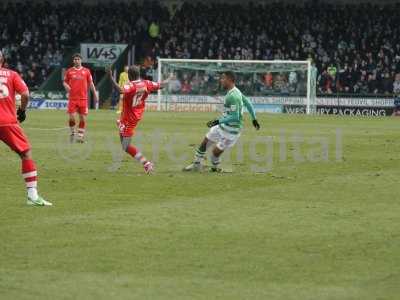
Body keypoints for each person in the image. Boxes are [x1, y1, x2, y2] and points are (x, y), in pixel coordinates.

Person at [0, 50, 52, 206]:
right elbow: (26, 94)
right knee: (26, 153)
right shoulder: (12, 74)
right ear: (2, 60)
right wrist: (21, 111)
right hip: (7, 121)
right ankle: (32, 195)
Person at [183, 71, 260, 172]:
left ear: (230, 80)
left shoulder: (233, 96)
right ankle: (196, 164)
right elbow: (248, 102)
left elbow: (235, 117)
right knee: (205, 142)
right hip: (222, 126)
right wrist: (254, 119)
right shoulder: (235, 91)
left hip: (231, 131)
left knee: (215, 152)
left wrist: (217, 121)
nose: (221, 80)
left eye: (223, 78)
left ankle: (215, 168)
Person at [107, 65, 166, 174]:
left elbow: (120, 90)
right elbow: (161, 86)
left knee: (125, 146)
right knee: (123, 136)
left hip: (129, 119)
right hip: (135, 115)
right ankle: (121, 124)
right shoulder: (146, 83)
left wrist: (110, 77)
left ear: (129, 75)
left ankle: (146, 163)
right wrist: (169, 79)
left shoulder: (131, 86)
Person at [63, 53, 98, 143]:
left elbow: (91, 83)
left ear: (81, 60)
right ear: (73, 61)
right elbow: (64, 82)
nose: (76, 61)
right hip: (72, 99)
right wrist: (66, 86)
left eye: (78, 59)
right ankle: (72, 133)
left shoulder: (86, 71)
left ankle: (80, 137)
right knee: (72, 117)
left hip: (83, 99)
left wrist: (95, 94)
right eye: (75, 59)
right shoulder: (69, 71)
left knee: (82, 118)